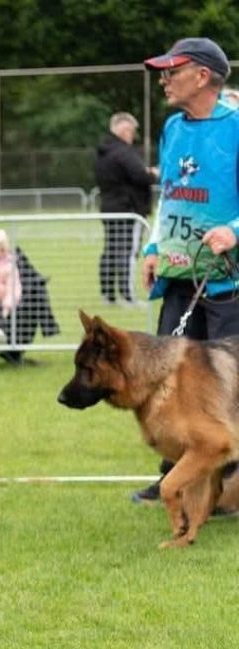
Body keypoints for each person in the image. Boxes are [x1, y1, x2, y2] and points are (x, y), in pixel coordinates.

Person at [132, 38, 239, 504]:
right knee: (170, 379)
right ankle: (173, 476)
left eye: (172, 71)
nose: (164, 80)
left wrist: (234, 230)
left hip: (229, 279)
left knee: (226, 387)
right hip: (178, 276)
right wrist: (154, 247)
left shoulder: (236, 128)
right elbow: (170, 196)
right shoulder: (172, 127)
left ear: (202, 76)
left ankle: (228, 489)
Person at [94, 112, 159, 306]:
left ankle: (108, 294)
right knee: (128, 252)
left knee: (111, 250)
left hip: (109, 208)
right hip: (129, 209)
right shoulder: (123, 152)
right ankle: (128, 296)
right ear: (124, 130)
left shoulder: (103, 152)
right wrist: (153, 173)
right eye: (132, 131)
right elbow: (140, 176)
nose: (133, 136)